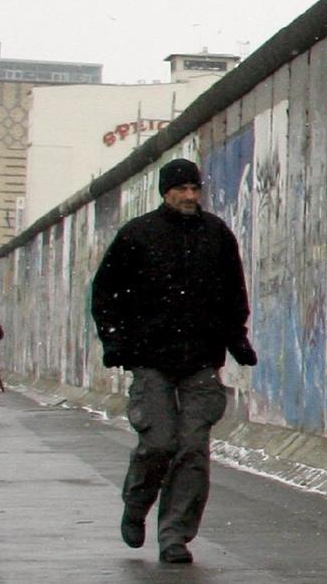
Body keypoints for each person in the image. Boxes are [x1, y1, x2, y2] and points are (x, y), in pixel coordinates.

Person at [91, 159, 256, 567]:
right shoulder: (138, 235)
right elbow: (106, 292)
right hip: (151, 360)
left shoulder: (216, 235)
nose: (188, 196)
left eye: (194, 189)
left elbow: (233, 293)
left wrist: (237, 339)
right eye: (180, 189)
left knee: (193, 451)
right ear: (165, 192)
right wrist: (115, 341)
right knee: (159, 442)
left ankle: (175, 536)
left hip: (200, 359)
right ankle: (137, 501)